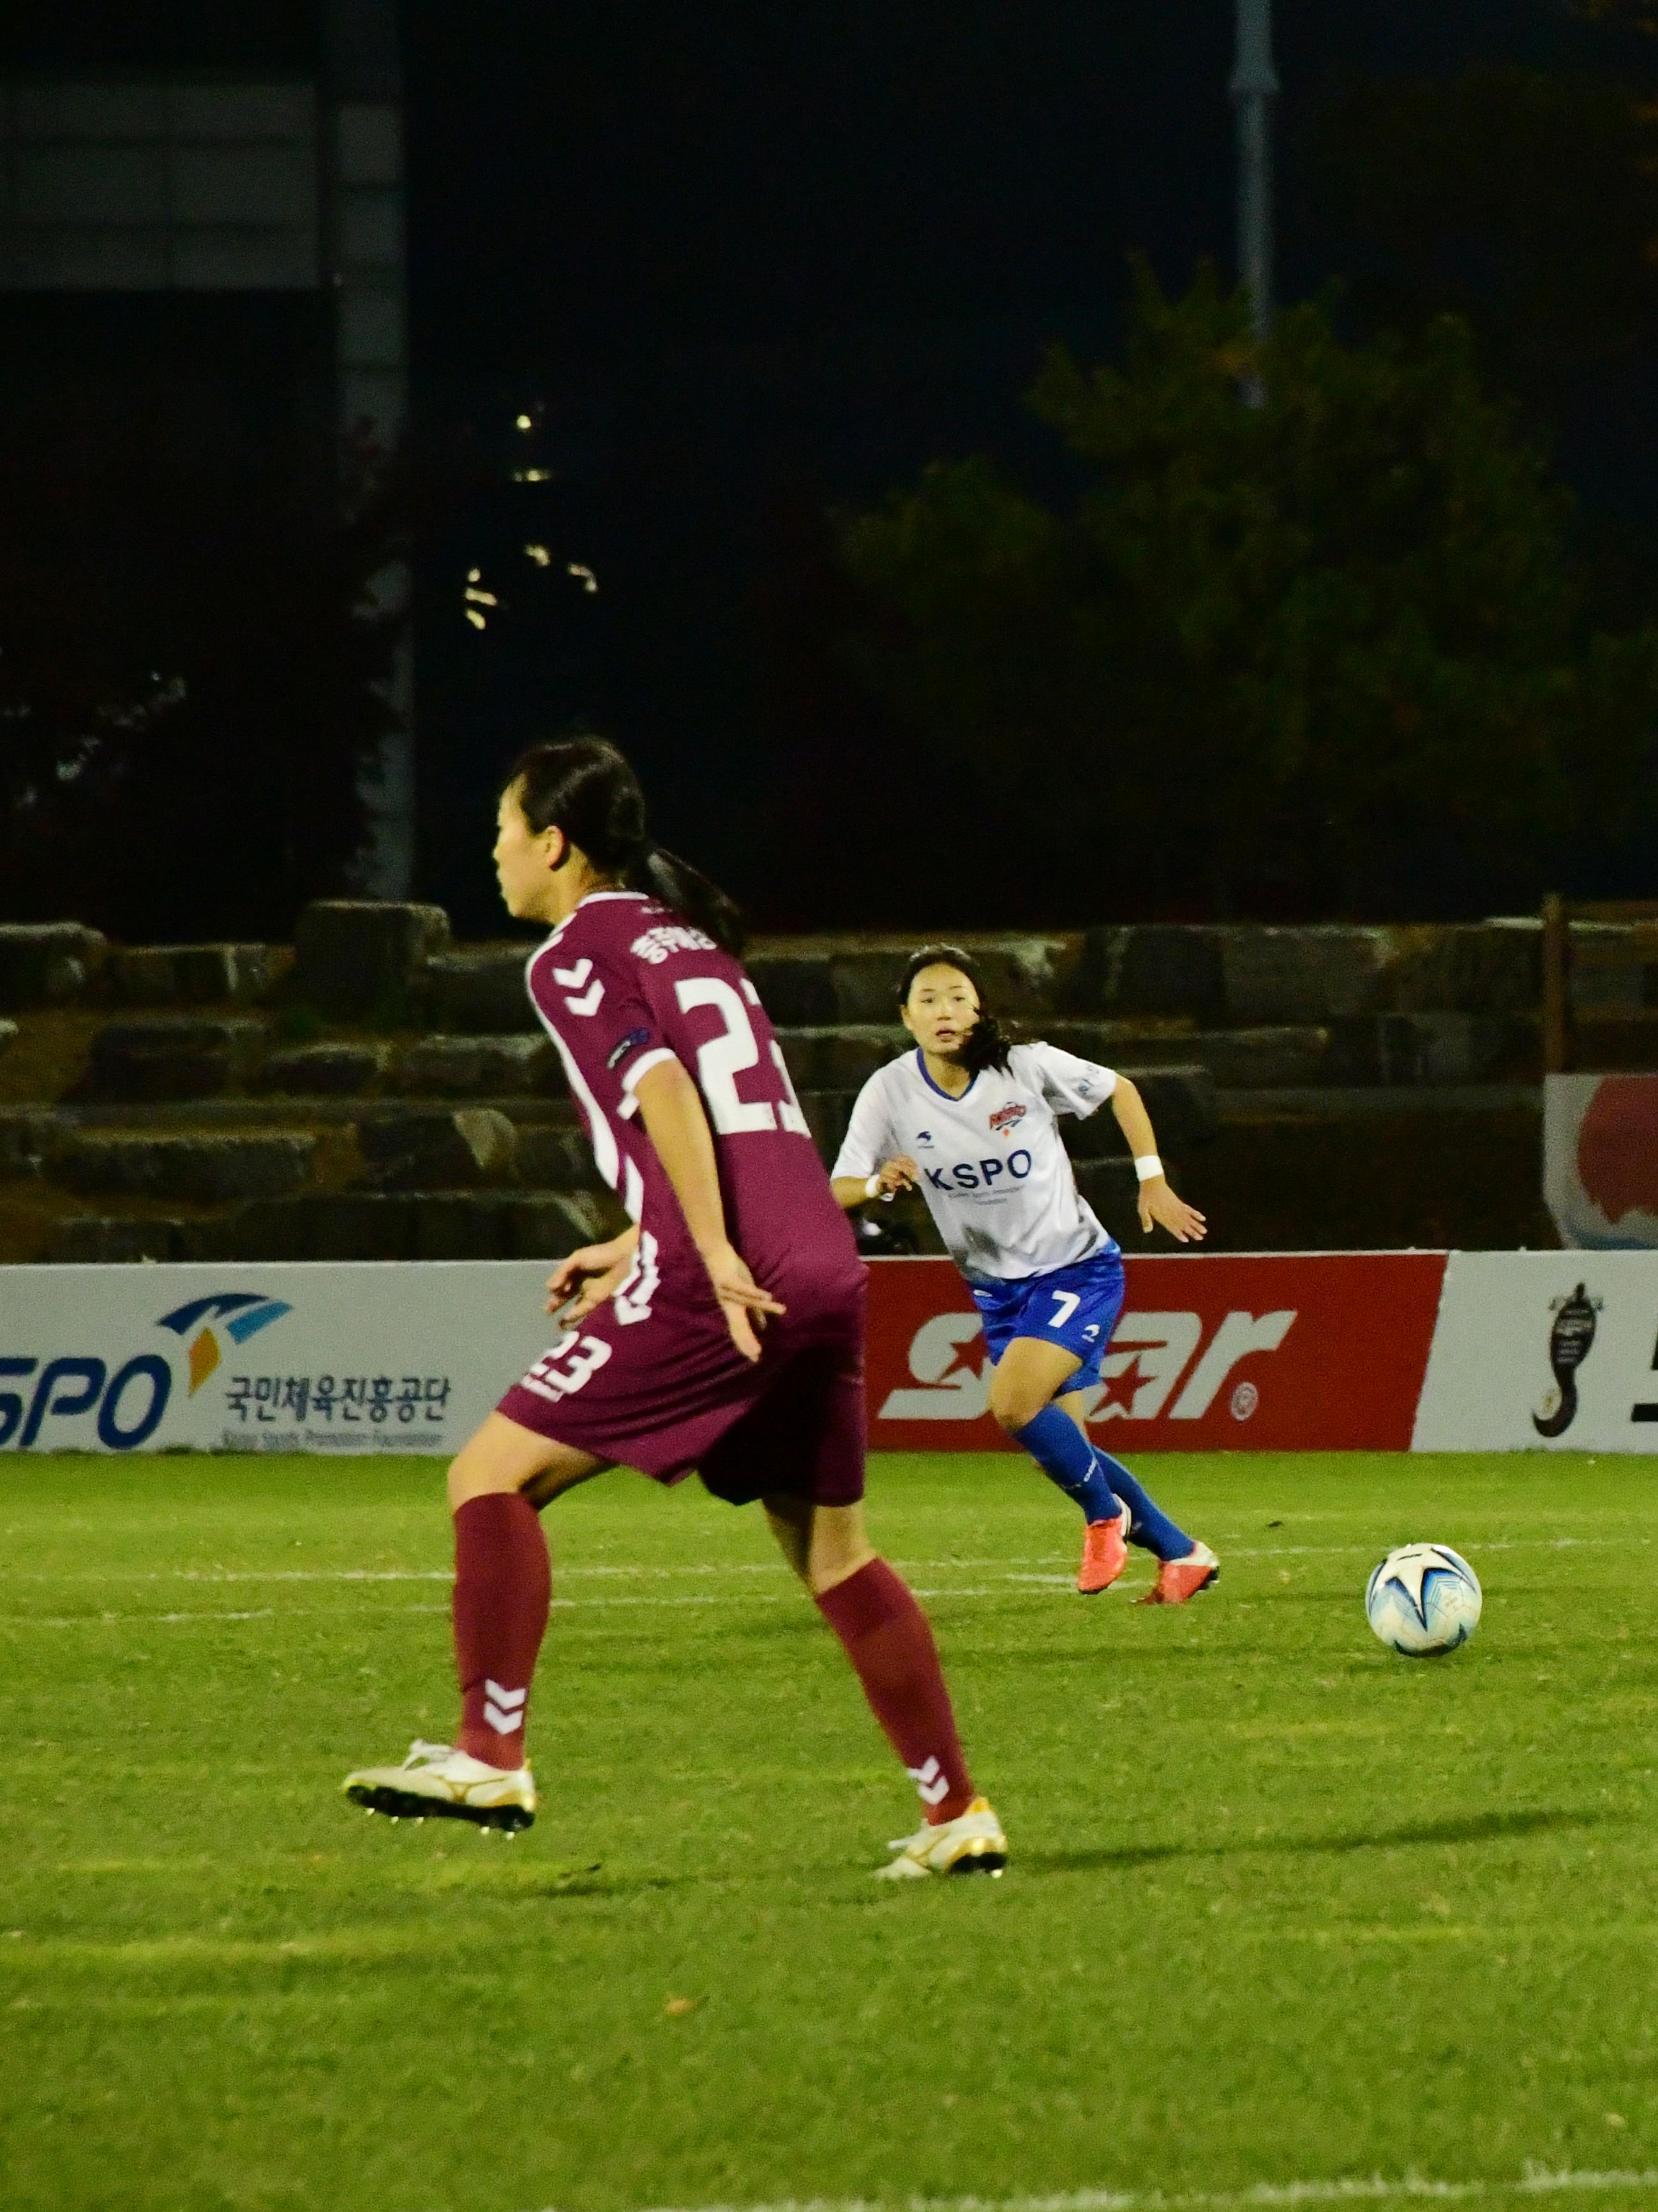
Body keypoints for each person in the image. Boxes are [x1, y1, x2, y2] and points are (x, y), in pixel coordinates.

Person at [342, 738, 1005, 1879]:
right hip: (823, 1266)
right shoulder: (689, 940)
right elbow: (745, 1125)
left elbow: (662, 1090)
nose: (493, 851)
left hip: (730, 1273)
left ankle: (488, 1752)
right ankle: (957, 1815)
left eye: (504, 828)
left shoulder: (570, 954)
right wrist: (638, 1232)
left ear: (554, 844)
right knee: (835, 1550)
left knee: (488, 1475)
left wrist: (695, 1246)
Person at [832, 948, 1218, 1601]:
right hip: (997, 1290)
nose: (943, 1010)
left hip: (1076, 1268)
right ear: (906, 1016)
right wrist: (877, 1181)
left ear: (979, 1008)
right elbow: (837, 1186)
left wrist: (1151, 1181)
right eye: (927, 999)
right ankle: (1183, 1554)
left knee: (1012, 1404)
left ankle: (1106, 1517)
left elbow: (1119, 1089)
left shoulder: (1024, 1065)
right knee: (1067, 1448)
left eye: (957, 996)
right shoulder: (890, 1090)